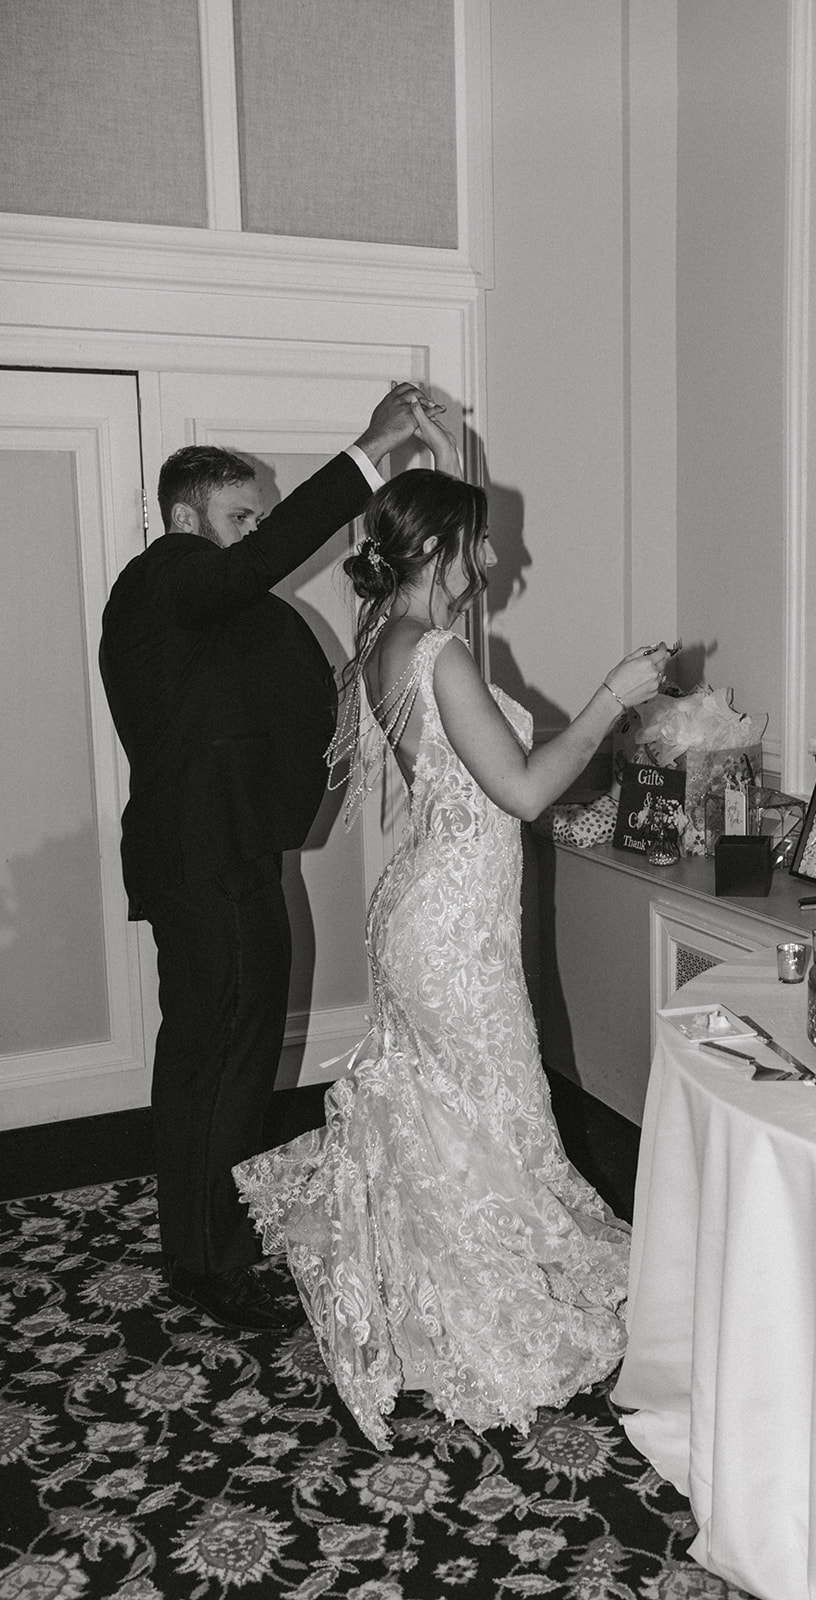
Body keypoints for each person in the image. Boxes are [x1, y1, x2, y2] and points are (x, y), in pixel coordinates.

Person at [234, 405, 671, 1446]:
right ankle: (480, 1313)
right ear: (439, 547)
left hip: (428, 907)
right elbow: (520, 790)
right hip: (451, 932)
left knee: (456, 1114)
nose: (492, 553)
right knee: (493, 1109)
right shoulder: (440, 654)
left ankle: (432, 1292)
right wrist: (614, 695)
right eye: (479, 537)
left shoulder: (386, 639)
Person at [99, 383, 433, 1334]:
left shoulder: (215, 614)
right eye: (241, 517)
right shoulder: (164, 576)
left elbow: (282, 697)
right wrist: (369, 454)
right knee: (219, 1058)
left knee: (225, 1053)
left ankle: (203, 1236)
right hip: (204, 860)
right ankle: (209, 1262)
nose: (256, 537)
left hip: (230, 855)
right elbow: (248, 581)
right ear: (182, 517)